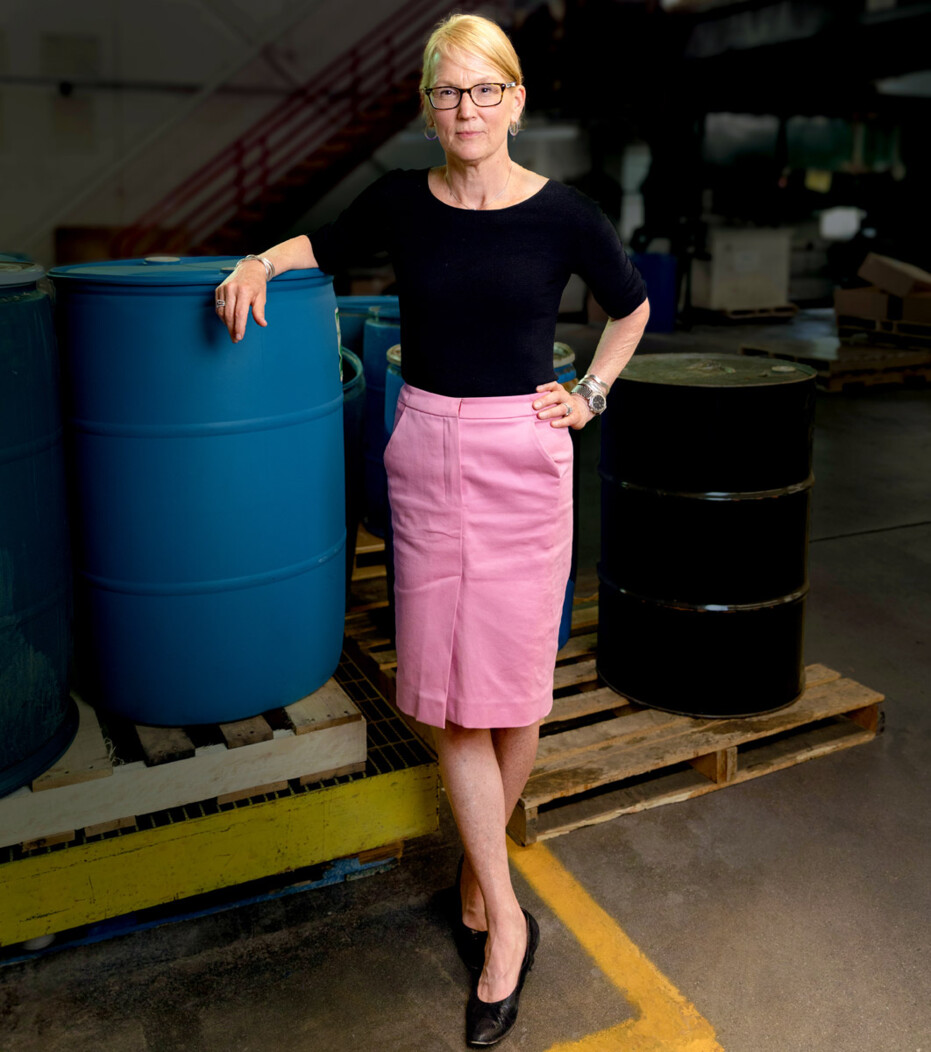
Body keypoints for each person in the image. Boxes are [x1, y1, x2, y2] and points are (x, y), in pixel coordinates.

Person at [214, 13, 649, 1047]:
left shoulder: (564, 215)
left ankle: (475, 874)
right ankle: (506, 920)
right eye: (447, 94)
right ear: (425, 105)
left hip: (524, 459)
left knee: (518, 688)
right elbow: (304, 240)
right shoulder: (400, 202)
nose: (466, 110)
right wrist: (253, 265)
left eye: (484, 91)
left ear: (516, 101)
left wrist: (589, 390)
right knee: (453, 694)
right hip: (425, 451)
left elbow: (628, 309)